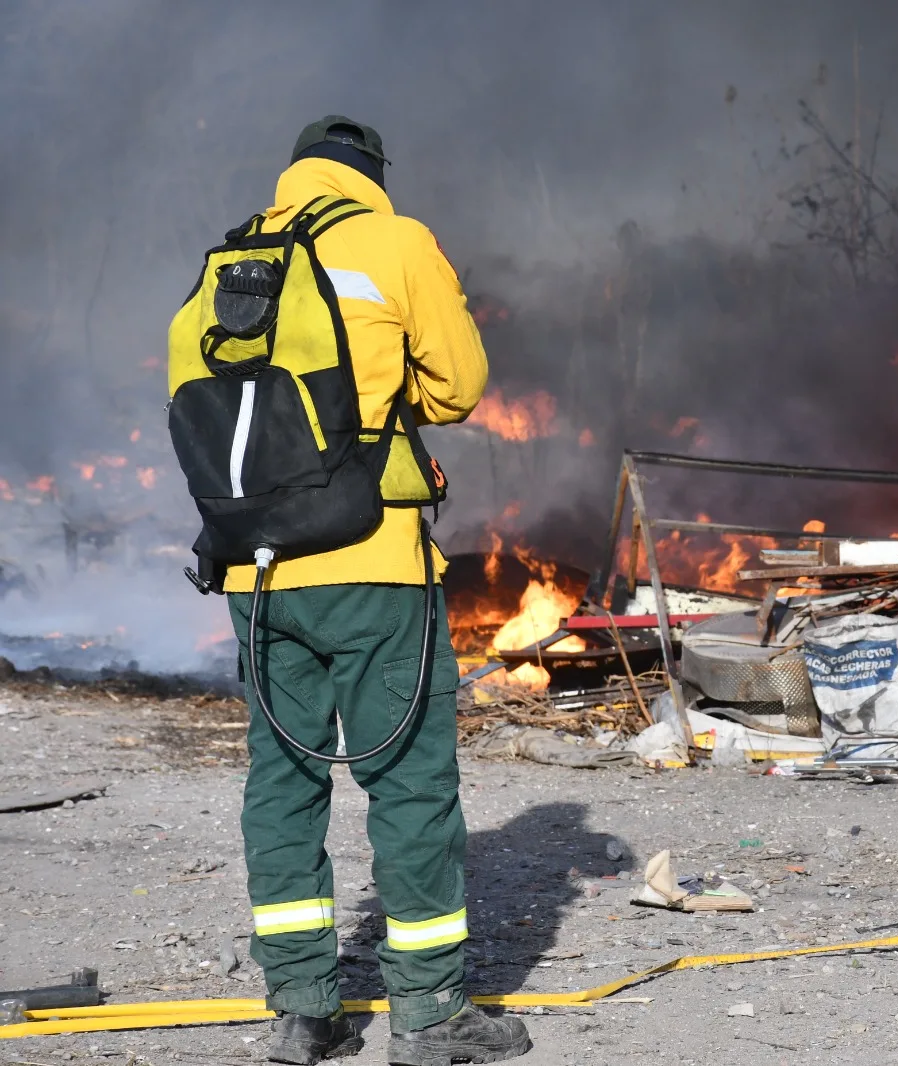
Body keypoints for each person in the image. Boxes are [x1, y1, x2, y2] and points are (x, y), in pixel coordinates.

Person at [167, 116, 531, 1065]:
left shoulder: (230, 260)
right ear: (374, 177)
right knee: (408, 781)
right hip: (372, 561)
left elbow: (192, 401)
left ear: (292, 177)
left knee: (282, 781)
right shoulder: (397, 241)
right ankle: (428, 1016)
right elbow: (459, 386)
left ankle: (300, 1008)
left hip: (258, 572)